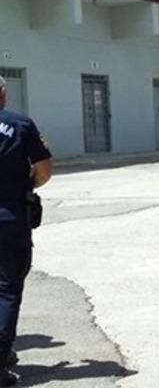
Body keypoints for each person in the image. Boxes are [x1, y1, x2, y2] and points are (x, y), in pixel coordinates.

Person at [0, 76, 52, 387]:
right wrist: (26, 185)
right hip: (9, 217)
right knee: (6, 289)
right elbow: (44, 170)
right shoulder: (20, 124)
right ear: (3, 96)